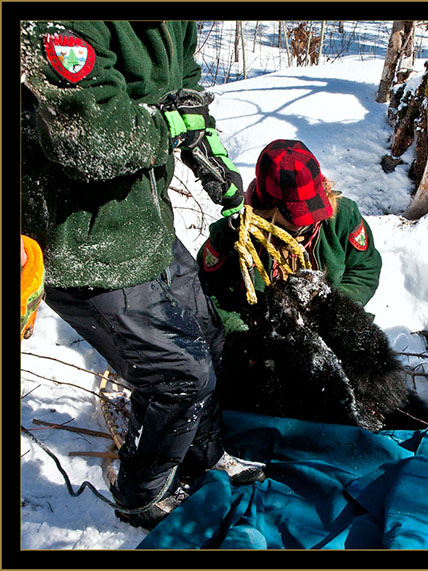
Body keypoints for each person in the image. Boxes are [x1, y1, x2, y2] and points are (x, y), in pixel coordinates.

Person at [21, 20, 265, 531]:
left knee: (209, 334)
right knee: (179, 375)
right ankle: (140, 493)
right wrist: (169, 126)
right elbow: (86, 137)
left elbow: (187, 77)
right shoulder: (59, 22)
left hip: (144, 219)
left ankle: (203, 454)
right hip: (85, 241)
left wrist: (201, 134)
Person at [197, 139, 383, 321]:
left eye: (314, 207)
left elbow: (364, 269)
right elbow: (208, 293)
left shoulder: (343, 217)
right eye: (297, 215)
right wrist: (243, 336)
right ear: (268, 207)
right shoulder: (233, 235)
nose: (309, 220)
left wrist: (334, 308)